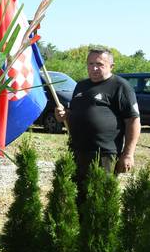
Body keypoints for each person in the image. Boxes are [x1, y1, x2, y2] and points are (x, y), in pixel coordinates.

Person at [55, 47, 141, 210]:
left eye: (99, 64)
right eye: (90, 63)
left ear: (111, 66)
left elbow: (133, 121)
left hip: (104, 155)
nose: (94, 68)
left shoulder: (120, 86)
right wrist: (63, 115)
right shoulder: (81, 86)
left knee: (99, 203)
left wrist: (128, 154)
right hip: (78, 151)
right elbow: (74, 114)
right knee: (78, 199)